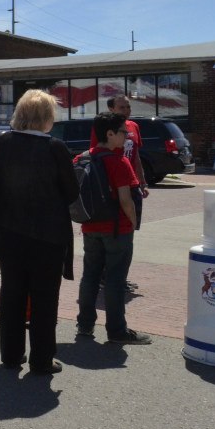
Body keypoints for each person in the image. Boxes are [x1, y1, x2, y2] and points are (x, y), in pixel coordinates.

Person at [0, 90, 79, 374]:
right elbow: (71, 192)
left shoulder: (3, 142)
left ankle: (11, 355)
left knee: (11, 293)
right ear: (47, 118)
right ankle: (42, 359)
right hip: (48, 236)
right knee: (44, 298)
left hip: (8, 232)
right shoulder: (56, 148)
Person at [75, 113, 152, 345]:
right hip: (117, 229)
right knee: (115, 280)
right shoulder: (119, 162)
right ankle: (117, 330)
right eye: (122, 132)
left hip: (90, 227)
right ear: (109, 134)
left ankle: (85, 326)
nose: (127, 137)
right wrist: (133, 223)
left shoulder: (81, 159)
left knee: (89, 276)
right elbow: (126, 200)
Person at [89, 94, 149, 297]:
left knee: (127, 236)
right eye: (122, 107)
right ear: (112, 109)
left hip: (130, 183)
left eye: (128, 106)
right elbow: (95, 153)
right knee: (116, 232)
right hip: (114, 185)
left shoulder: (133, 127)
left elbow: (137, 156)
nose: (127, 110)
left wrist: (142, 182)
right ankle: (110, 279)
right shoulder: (104, 128)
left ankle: (120, 277)